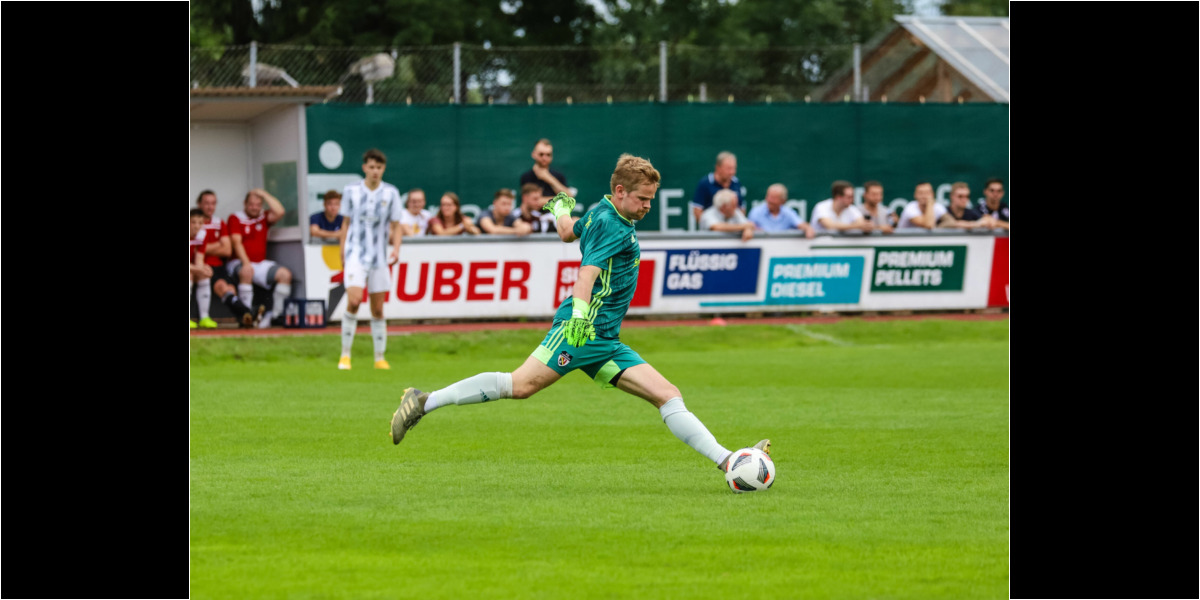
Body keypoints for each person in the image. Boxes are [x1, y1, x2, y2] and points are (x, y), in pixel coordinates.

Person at [389, 154, 770, 484]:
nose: (647, 206)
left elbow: (569, 233)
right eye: (642, 199)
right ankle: (424, 401)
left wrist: (559, 210)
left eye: (651, 200)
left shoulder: (601, 211)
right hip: (580, 332)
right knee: (519, 385)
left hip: (604, 340)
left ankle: (730, 462)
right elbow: (586, 274)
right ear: (620, 191)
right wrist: (578, 315)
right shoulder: (612, 223)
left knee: (668, 395)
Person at [338, 148, 405, 371]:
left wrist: (396, 249)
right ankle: (345, 355)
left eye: (379, 167)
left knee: (378, 309)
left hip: (379, 257)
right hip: (355, 254)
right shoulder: (351, 191)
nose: (375, 171)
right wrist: (342, 250)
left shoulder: (391, 193)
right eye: (371, 167)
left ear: (383, 169)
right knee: (354, 301)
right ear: (364, 167)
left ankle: (379, 357)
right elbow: (345, 223)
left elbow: (396, 226)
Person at [228, 187, 292, 328]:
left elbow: (280, 211)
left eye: (258, 204)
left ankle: (276, 316)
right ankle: (246, 316)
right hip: (238, 262)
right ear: (245, 204)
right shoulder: (236, 217)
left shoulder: (263, 217)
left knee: (285, 275)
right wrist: (246, 263)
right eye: (251, 204)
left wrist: (263, 193)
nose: (254, 207)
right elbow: (236, 243)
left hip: (260, 263)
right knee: (247, 271)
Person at [194, 190, 232, 329]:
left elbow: (227, 250)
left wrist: (200, 267)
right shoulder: (196, 231)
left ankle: (205, 318)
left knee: (228, 287)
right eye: (206, 203)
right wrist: (217, 245)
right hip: (197, 267)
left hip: (214, 266)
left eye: (213, 203)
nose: (197, 226)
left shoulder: (214, 226)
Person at [691, 151, 746, 224]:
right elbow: (697, 212)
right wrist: (711, 226)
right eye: (728, 169)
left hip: (733, 233)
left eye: (734, 168)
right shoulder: (705, 183)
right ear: (718, 168)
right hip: (712, 233)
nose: (732, 172)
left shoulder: (736, 183)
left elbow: (741, 209)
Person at [747, 183, 815, 239]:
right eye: (768, 196)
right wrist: (749, 229)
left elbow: (801, 224)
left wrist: (808, 228)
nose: (770, 200)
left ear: (783, 201)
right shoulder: (756, 212)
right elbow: (748, 227)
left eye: (774, 198)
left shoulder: (789, 213)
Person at [190, 209, 213, 329]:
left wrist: (204, 269)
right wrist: (199, 268)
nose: (196, 226)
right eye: (193, 222)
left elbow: (199, 260)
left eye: (200, 222)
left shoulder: (202, 234)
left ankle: (204, 317)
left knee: (204, 274)